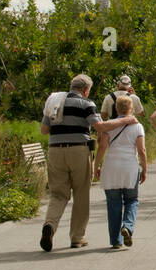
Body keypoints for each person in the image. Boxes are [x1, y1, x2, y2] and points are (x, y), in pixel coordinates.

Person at [39, 73, 136, 251]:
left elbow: (44, 130)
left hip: (55, 150)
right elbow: (99, 127)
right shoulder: (87, 103)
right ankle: (77, 237)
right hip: (78, 150)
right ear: (85, 90)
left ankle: (50, 226)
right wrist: (125, 120)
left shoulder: (54, 101)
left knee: (58, 194)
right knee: (81, 194)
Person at [94, 94, 146, 249]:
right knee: (132, 200)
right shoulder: (137, 126)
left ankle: (116, 241)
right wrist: (144, 168)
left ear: (116, 108)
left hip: (111, 167)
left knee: (113, 204)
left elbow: (102, 147)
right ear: (132, 109)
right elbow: (141, 149)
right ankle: (128, 227)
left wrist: (96, 165)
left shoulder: (108, 125)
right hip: (129, 166)